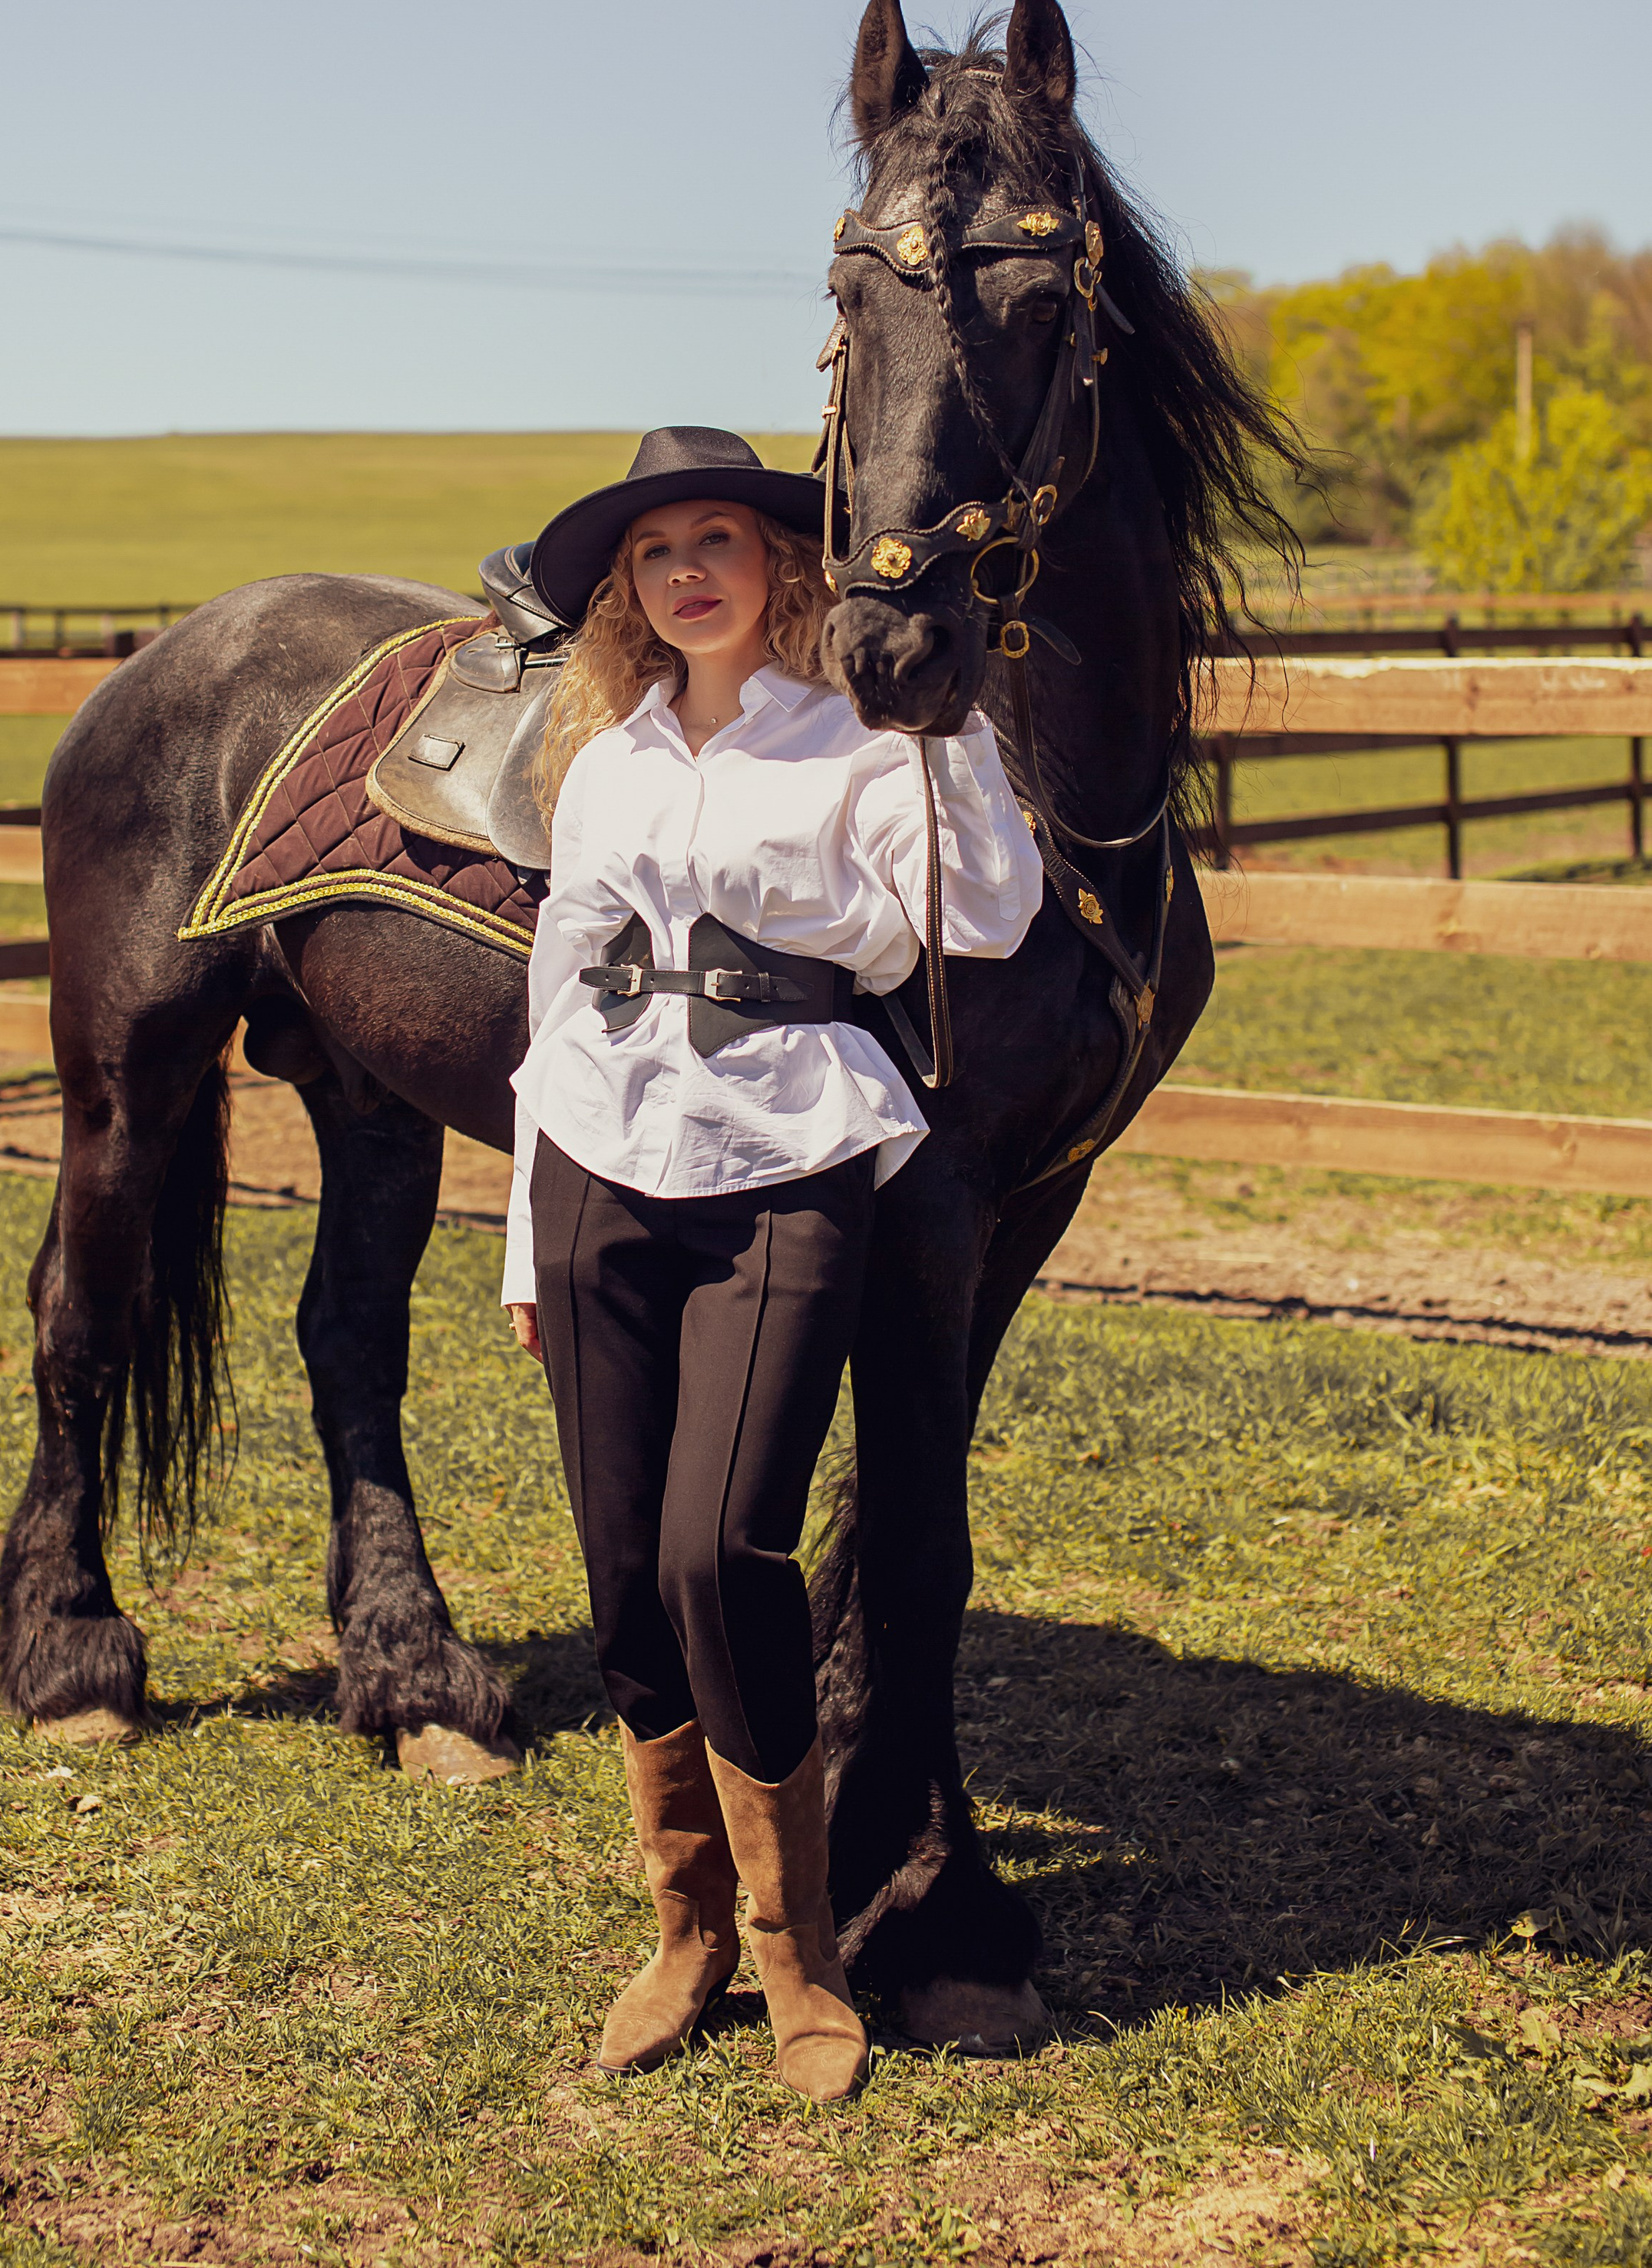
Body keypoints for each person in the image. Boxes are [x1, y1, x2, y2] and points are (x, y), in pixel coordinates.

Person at [501, 426, 1042, 2100]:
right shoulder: (605, 763)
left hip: (787, 1157)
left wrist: (939, 729)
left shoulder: (864, 744)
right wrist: (528, 1223)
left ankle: (799, 1947)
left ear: (780, 564)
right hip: (598, 1159)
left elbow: (994, 916)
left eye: (716, 536)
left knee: (717, 1547)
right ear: (628, 590)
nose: (684, 571)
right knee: (613, 1571)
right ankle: (683, 1931)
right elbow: (555, 994)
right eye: (654, 549)